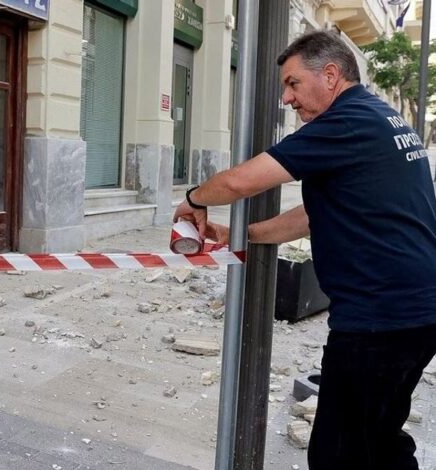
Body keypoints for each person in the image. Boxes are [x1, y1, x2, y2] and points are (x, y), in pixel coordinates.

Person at [174, 30, 436, 469]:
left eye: (293, 83)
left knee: (339, 454)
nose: (287, 98)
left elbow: (240, 181)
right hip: (413, 313)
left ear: (330, 75)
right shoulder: (380, 117)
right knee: (381, 442)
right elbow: (314, 215)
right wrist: (240, 234)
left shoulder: (344, 122)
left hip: (380, 318)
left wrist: (193, 199)